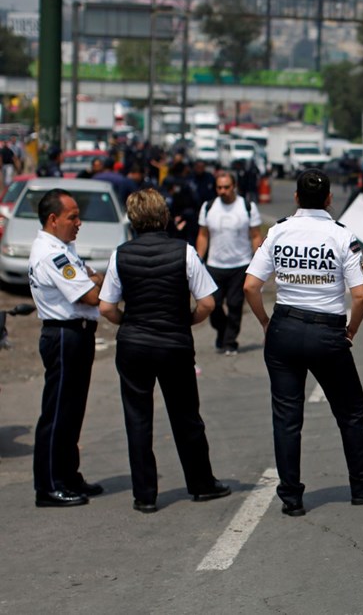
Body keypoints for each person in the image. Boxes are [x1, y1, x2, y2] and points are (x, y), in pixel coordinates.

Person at [243, 171, 363, 516]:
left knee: (287, 417)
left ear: (297, 198)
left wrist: (266, 322)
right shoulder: (342, 236)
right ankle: (362, 484)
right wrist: (351, 331)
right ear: (329, 198)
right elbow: (360, 296)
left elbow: (250, 287)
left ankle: (291, 497)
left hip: (284, 327)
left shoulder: (278, 232)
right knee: (351, 411)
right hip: (327, 331)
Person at [98, 189, 231, 513]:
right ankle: (201, 483)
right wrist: (186, 321)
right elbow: (208, 303)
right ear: (164, 217)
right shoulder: (183, 252)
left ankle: (145, 494)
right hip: (174, 343)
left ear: (133, 219)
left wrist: (128, 321)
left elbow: (106, 307)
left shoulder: (121, 254)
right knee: (186, 416)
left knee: (138, 418)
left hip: (134, 344)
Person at [27, 189, 106, 507]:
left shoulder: (64, 248)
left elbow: (92, 279)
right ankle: (48, 485)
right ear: (53, 219)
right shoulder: (52, 254)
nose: (78, 223)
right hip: (63, 335)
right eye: (72, 217)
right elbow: (89, 294)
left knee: (73, 410)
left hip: (79, 333)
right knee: (57, 411)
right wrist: (95, 281)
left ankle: (68, 474)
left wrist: (94, 279)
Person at [196, 171, 263, 355]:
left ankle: (230, 342)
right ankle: (223, 331)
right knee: (213, 304)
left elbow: (256, 235)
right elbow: (203, 235)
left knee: (235, 305)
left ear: (234, 186)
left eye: (226, 187)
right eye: (219, 187)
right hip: (214, 265)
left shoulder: (247, 207)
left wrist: (258, 263)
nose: (223, 191)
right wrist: (198, 260)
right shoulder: (209, 207)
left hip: (240, 264)